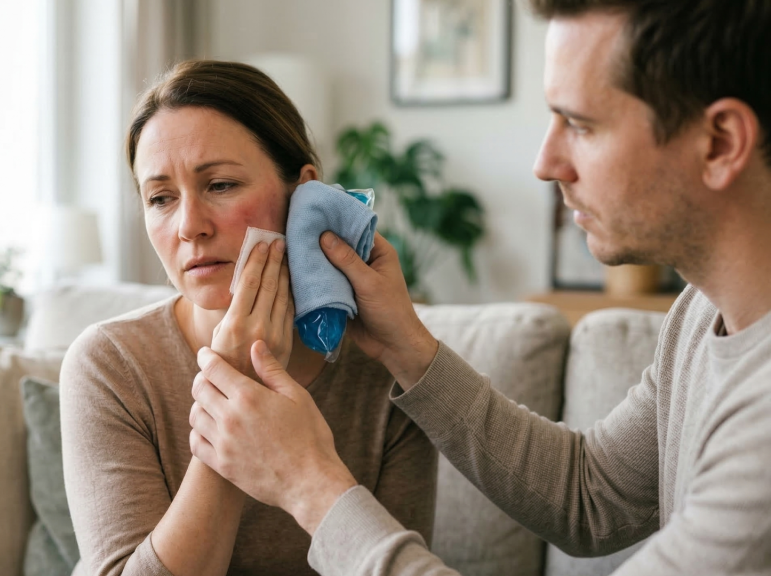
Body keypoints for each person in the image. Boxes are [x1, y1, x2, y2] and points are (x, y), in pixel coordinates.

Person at [187, 1, 771, 575]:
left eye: (581, 124)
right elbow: (593, 496)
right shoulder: (702, 310)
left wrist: (309, 485)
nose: (545, 162)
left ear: (719, 143)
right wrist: (406, 347)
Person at [58, 60, 439, 576]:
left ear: (305, 194)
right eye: (161, 198)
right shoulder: (109, 365)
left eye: (220, 185)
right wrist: (233, 385)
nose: (189, 226)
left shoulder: (387, 375)